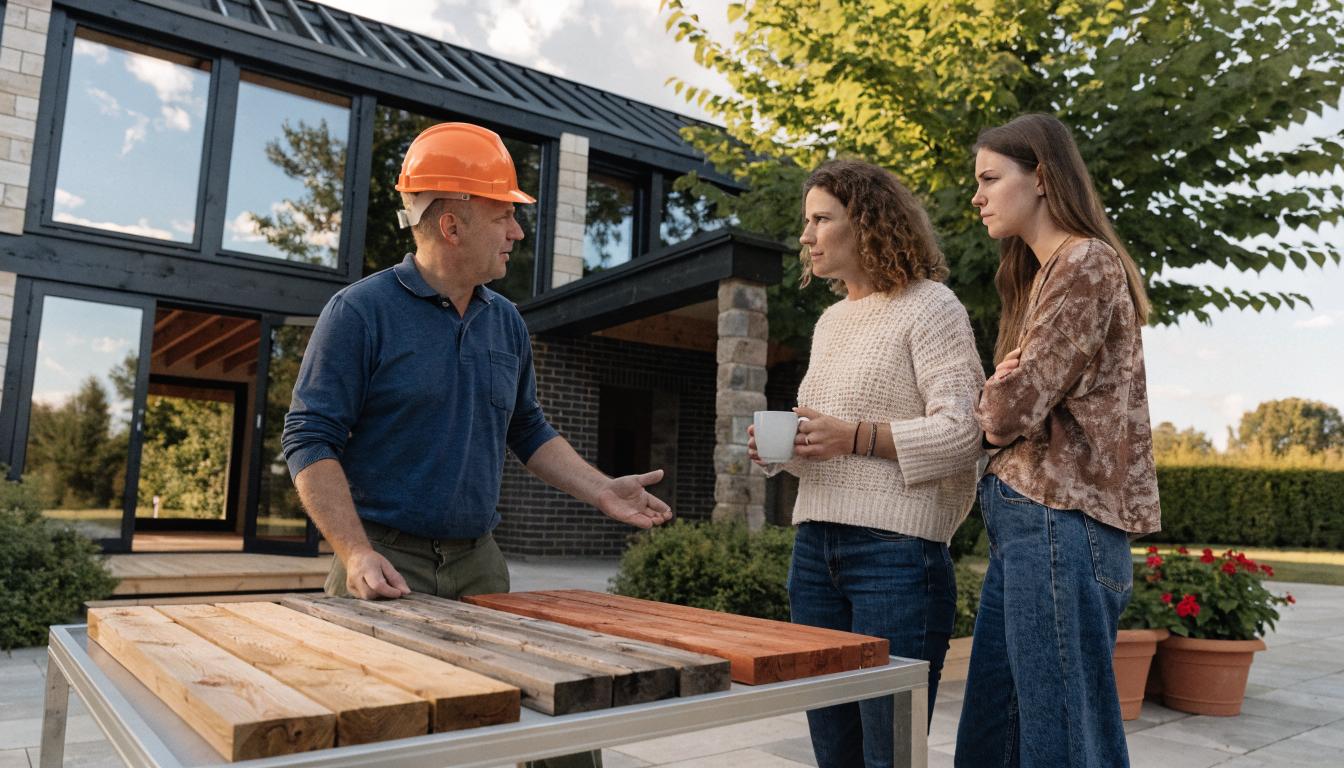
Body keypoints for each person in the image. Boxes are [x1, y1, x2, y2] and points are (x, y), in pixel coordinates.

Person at [282, 122, 672, 768]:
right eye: (503, 217)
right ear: (452, 226)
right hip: (384, 562)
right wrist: (353, 553)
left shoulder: (506, 323)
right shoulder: (359, 314)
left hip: (479, 563)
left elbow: (527, 429)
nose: (518, 233)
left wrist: (603, 489)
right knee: (373, 743)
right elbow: (309, 438)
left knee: (558, 726)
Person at [748, 159, 985, 768]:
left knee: (890, 755)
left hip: (896, 557)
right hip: (813, 551)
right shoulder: (830, 323)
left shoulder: (931, 307)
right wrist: (788, 452)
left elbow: (964, 432)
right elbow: (834, 447)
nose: (806, 236)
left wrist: (851, 436)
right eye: (807, 221)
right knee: (834, 752)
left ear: (869, 224)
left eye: (821, 219)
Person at [955, 113, 1161, 768]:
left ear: (1040, 177)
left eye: (991, 179)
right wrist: (1001, 395)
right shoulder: (1042, 275)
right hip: (1032, 525)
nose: (977, 196)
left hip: (1057, 523)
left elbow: (1010, 410)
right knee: (994, 736)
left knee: (1063, 742)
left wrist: (995, 397)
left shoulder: (1083, 264)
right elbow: (1011, 404)